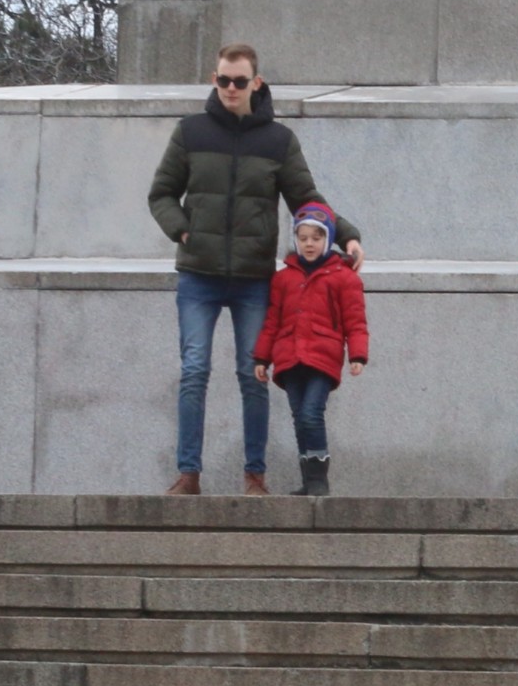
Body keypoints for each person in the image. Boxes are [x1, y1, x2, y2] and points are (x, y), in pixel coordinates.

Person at [145, 41, 363, 497]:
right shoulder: (190, 132)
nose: (230, 88)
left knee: (253, 374)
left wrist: (345, 234)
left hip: (252, 278)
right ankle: (188, 475)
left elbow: (306, 198)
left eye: (239, 81)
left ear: (256, 83)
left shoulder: (277, 141)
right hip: (199, 274)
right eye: (223, 80)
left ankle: (254, 477)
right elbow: (161, 193)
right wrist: (181, 229)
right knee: (194, 370)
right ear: (214, 80)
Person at [251, 200, 368, 497]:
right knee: (299, 418)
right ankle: (308, 478)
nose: (309, 244)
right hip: (289, 358)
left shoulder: (344, 277)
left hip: (322, 358)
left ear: (328, 239)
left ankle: (319, 480)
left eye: (316, 238)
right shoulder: (283, 278)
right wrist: (262, 357)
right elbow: (272, 321)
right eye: (303, 238)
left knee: (311, 414)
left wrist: (357, 355)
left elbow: (355, 321)